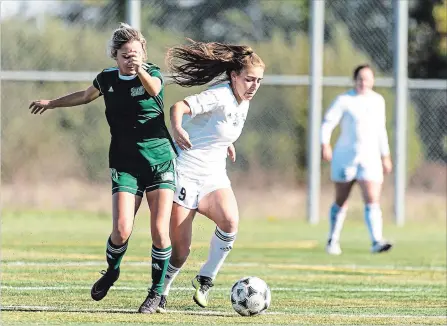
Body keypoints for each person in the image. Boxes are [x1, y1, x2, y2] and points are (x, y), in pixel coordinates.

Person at [29, 23, 176, 314]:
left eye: (135, 53)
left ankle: (156, 294)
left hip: (159, 160)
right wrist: (52, 103)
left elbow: (154, 89)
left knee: (160, 231)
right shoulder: (107, 79)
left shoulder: (153, 74)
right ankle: (112, 271)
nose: (130, 59)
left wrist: (140, 69)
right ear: (115, 56)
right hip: (124, 163)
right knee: (121, 230)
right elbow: (84, 96)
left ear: (143, 52)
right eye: (125, 55)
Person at [154, 40, 265, 312]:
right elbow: (178, 107)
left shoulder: (244, 100)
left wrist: (225, 142)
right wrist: (178, 127)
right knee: (180, 252)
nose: (254, 86)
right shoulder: (220, 95)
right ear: (233, 76)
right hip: (185, 173)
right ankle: (161, 291)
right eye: (249, 79)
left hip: (214, 175)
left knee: (230, 221)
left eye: (259, 81)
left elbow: (218, 127)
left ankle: (205, 278)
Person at [320, 64, 393, 255]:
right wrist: (325, 144)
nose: (363, 82)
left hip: (370, 158)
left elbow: (380, 130)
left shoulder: (378, 101)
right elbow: (328, 123)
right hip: (345, 158)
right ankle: (332, 240)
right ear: (355, 80)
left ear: (373, 81)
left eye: (367, 78)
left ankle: (376, 240)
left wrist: (385, 155)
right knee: (341, 200)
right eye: (360, 78)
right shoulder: (344, 100)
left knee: (372, 200)